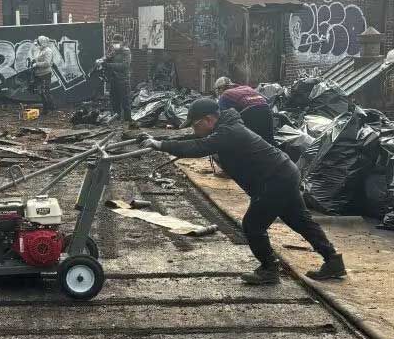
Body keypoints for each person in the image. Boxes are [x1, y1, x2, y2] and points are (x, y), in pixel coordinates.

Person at [146, 98, 346, 285]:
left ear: (208, 119)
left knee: (252, 225)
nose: (193, 129)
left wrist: (161, 145)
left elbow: (198, 146)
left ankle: (269, 270)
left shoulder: (229, 133)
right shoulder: (226, 128)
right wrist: (157, 140)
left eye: (195, 124)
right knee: (300, 221)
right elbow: (194, 139)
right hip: (284, 174)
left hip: (274, 180)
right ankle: (333, 261)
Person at [214, 75, 275, 143]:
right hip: (266, 110)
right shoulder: (247, 88)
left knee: (247, 144)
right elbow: (267, 100)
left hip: (250, 113)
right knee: (268, 142)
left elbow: (220, 117)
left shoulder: (225, 95)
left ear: (220, 88)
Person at [101, 34, 133, 122]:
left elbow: (124, 66)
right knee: (115, 101)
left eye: (117, 43)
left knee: (125, 102)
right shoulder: (114, 52)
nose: (115, 44)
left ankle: (128, 120)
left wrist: (109, 65)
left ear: (122, 42)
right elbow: (107, 57)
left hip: (123, 80)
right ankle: (117, 119)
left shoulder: (126, 52)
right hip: (114, 80)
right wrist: (102, 60)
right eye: (113, 43)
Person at [28, 35, 55, 114]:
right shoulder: (40, 50)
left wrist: (37, 64)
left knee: (45, 92)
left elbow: (47, 63)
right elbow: (37, 58)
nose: (37, 45)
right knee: (41, 92)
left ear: (42, 43)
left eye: (39, 43)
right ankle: (49, 108)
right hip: (38, 74)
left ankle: (49, 109)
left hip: (45, 74)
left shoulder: (48, 51)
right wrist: (33, 60)